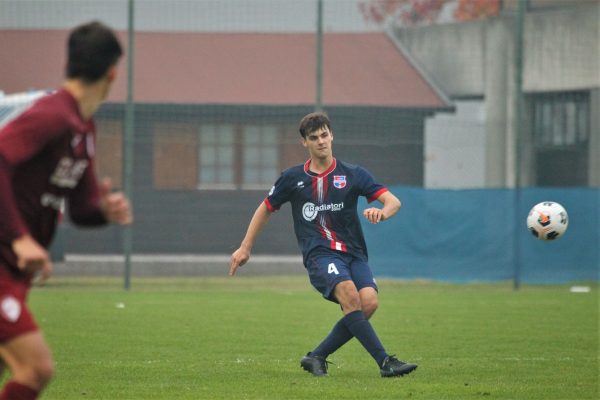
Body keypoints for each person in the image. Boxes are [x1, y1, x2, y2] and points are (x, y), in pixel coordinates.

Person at [0, 21, 132, 399]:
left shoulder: (82, 126)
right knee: (35, 367)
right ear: (112, 72)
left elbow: (81, 208)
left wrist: (104, 210)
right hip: (4, 261)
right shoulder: (52, 115)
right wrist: (22, 239)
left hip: (14, 269)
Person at [230, 112, 417, 378]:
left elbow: (393, 202)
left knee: (369, 304)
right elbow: (266, 208)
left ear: (332, 136)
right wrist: (245, 247)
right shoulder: (292, 178)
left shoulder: (353, 174)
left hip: (354, 254)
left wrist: (381, 212)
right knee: (350, 297)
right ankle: (385, 362)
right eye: (314, 137)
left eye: (324, 135)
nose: (321, 141)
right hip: (320, 254)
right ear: (304, 143)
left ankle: (316, 356)